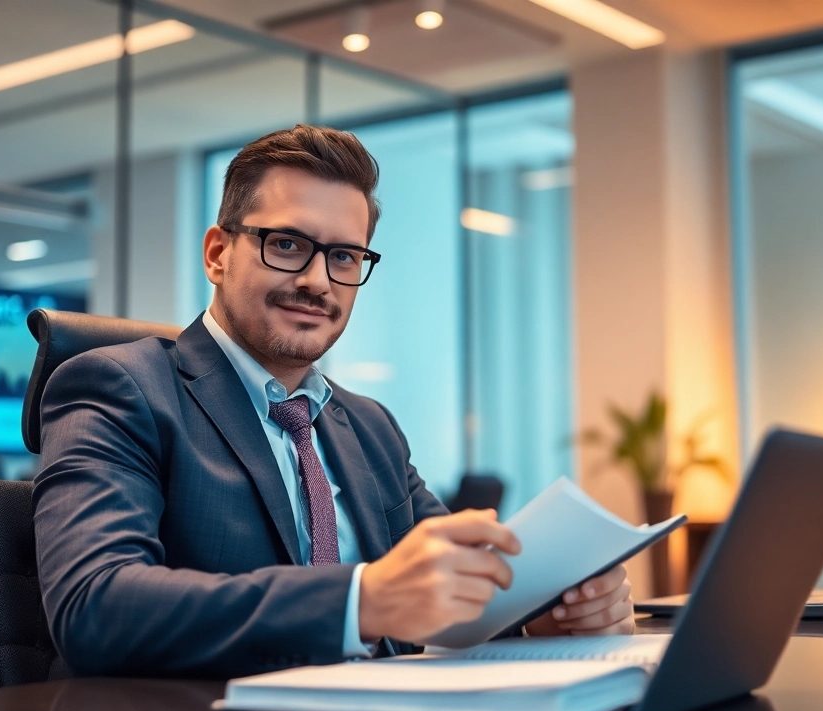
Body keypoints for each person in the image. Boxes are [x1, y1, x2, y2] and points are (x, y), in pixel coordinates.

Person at [34, 124, 634, 679]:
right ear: (218, 254)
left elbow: (449, 587)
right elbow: (95, 604)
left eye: (344, 257)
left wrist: (541, 613)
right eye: (288, 244)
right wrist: (360, 600)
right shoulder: (117, 387)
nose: (318, 281)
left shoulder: (370, 427)